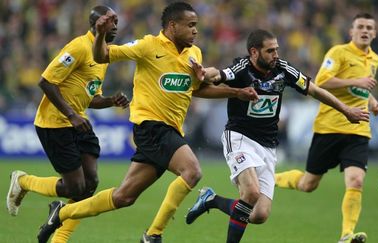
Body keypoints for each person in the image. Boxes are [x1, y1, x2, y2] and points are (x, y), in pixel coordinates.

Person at [36, 2, 258, 243]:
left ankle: (62, 212)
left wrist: (235, 93)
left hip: (170, 130)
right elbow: (101, 55)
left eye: (196, 26)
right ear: (172, 26)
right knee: (192, 171)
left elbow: (197, 89)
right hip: (151, 127)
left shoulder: (194, 54)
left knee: (123, 197)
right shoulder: (147, 46)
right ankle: (153, 235)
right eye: (190, 25)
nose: (195, 30)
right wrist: (100, 34)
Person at [185, 29, 370, 243]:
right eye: (270, 51)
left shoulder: (283, 69)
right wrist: (204, 72)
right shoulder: (242, 67)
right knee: (251, 193)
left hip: (267, 145)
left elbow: (315, 90)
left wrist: (346, 110)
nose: (276, 55)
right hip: (239, 138)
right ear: (254, 52)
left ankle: (212, 200)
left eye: (277, 50)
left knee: (259, 214)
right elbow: (218, 74)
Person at [6, 5, 129, 243]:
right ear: (96, 24)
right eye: (110, 20)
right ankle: (22, 181)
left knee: (90, 184)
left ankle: (59, 238)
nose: (115, 25)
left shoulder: (104, 54)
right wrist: (72, 115)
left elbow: (90, 97)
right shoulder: (78, 46)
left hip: (78, 120)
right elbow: (46, 82)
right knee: (75, 188)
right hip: (54, 123)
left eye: (117, 21)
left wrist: (111, 101)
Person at [274, 13, 378, 243]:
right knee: (308, 184)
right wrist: (356, 82)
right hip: (329, 128)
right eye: (360, 26)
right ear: (351, 31)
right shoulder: (338, 53)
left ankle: (346, 234)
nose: (365, 30)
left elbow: (363, 88)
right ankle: (270, 178)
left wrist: (372, 102)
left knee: (356, 181)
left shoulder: (374, 59)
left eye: (369, 27)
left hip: (358, 129)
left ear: (374, 33)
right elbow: (321, 82)